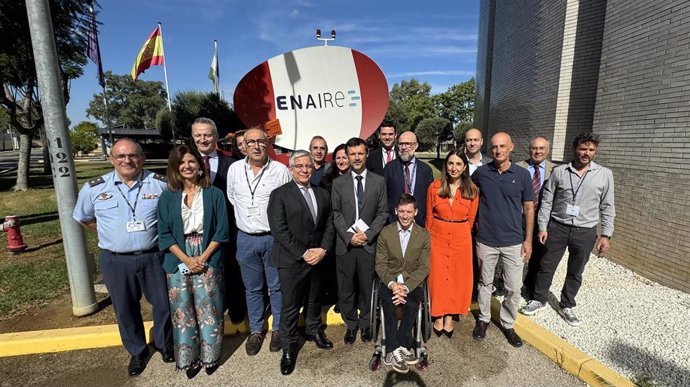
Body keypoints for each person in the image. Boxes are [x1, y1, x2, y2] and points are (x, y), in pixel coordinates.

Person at [73, 138, 173, 377]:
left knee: (164, 304)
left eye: (133, 155)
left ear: (142, 158)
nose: (127, 160)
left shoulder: (160, 184)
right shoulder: (95, 188)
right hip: (116, 260)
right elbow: (84, 218)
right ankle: (137, 351)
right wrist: (112, 235)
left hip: (154, 256)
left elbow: (172, 216)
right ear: (112, 160)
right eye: (121, 156)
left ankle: (164, 343)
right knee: (125, 308)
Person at [521, 132, 615, 326]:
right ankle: (539, 299)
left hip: (585, 230)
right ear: (575, 149)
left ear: (594, 151)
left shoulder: (604, 175)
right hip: (558, 227)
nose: (586, 153)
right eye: (583, 149)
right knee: (546, 266)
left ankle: (567, 304)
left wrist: (606, 234)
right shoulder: (560, 171)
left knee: (576, 270)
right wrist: (543, 226)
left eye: (591, 150)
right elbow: (547, 201)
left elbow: (607, 206)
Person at [157, 144, 229, 378]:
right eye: (181, 163)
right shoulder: (167, 197)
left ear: (200, 166)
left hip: (208, 252)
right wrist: (187, 259)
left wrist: (202, 258)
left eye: (191, 162)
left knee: (209, 307)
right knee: (182, 309)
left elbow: (221, 230)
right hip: (178, 255)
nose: (187, 166)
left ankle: (210, 356)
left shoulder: (213, 194)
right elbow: (165, 233)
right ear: (175, 168)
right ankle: (189, 357)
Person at [268, 150, 335, 375]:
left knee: (315, 299)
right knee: (290, 305)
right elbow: (279, 230)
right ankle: (288, 347)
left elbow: (329, 224)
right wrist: (304, 253)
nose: (305, 170)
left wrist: (323, 249)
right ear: (291, 169)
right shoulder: (280, 195)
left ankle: (314, 330)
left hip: (318, 258)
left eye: (308, 166)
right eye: (300, 166)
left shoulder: (322, 193)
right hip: (292, 260)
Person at [227, 127, 291, 355]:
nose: (256, 146)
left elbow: (287, 203)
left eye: (261, 142)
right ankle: (256, 331)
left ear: (268, 144)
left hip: (273, 238)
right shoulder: (234, 170)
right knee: (252, 288)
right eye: (250, 142)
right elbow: (232, 198)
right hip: (245, 239)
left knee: (276, 287)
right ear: (243, 145)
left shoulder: (280, 171)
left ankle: (278, 330)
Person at [471, 132, 535, 348]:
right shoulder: (481, 173)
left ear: (511, 147)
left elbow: (528, 208)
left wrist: (528, 240)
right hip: (486, 240)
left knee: (513, 287)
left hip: (513, 241)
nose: (498, 150)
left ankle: (508, 323)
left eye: (502, 146)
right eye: (494, 146)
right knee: (485, 283)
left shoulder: (522, 175)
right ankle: (484, 319)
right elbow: (469, 195)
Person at [332, 137, 388, 344]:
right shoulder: (338, 183)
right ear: (347, 156)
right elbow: (336, 213)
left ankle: (365, 324)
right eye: (352, 153)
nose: (356, 157)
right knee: (346, 288)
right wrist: (349, 236)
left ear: (366, 155)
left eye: (360, 153)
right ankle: (351, 325)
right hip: (346, 245)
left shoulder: (378, 181)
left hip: (368, 244)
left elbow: (383, 212)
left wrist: (368, 234)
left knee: (366, 287)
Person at [191, 118, 245, 324]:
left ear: (215, 136)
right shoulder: (187, 163)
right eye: (198, 135)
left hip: (230, 227)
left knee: (232, 269)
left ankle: (237, 309)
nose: (203, 139)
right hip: (198, 230)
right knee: (205, 272)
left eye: (207, 134)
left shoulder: (231, 163)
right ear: (193, 137)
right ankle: (211, 310)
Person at [375, 194, 430, 374]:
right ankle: (393, 349)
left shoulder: (423, 235)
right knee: (388, 303)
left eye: (408, 212)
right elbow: (380, 264)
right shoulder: (386, 232)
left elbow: (423, 267)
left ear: (415, 212)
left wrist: (405, 288)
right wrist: (392, 285)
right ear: (396, 211)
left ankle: (401, 344)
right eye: (401, 211)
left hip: (410, 281)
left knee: (413, 304)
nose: (405, 216)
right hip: (389, 279)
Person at [426, 150, 479, 337]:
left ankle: (449, 316)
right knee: (438, 277)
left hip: (460, 240)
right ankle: (438, 314)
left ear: (464, 167)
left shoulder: (472, 190)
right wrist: (430, 239)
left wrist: (460, 233)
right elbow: (429, 216)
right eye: (450, 163)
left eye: (458, 164)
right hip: (437, 238)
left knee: (457, 278)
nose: (454, 168)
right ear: (445, 166)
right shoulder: (434, 187)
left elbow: (471, 219)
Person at [516, 136, 556, 298]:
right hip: (520, 217)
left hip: (543, 220)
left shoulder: (555, 170)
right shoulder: (518, 167)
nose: (538, 151)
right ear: (529, 149)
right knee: (516, 253)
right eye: (534, 148)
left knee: (538, 255)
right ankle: (510, 284)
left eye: (541, 148)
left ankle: (531, 286)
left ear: (547, 150)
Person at [318, 143, 350, 308]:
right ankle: (336, 297)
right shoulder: (326, 179)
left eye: (345, 157)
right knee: (334, 267)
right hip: (333, 229)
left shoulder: (358, 177)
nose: (341, 160)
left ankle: (347, 298)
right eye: (338, 157)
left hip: (351, 229)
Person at [383, 131, 434, 225]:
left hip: (419, 223)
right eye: (401, 144)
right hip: (394, 222)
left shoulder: (426, 170)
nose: (404, 147)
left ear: (416, 146)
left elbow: (430, 199)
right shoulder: (389, 168)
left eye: (408, 144)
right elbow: (383, 198)